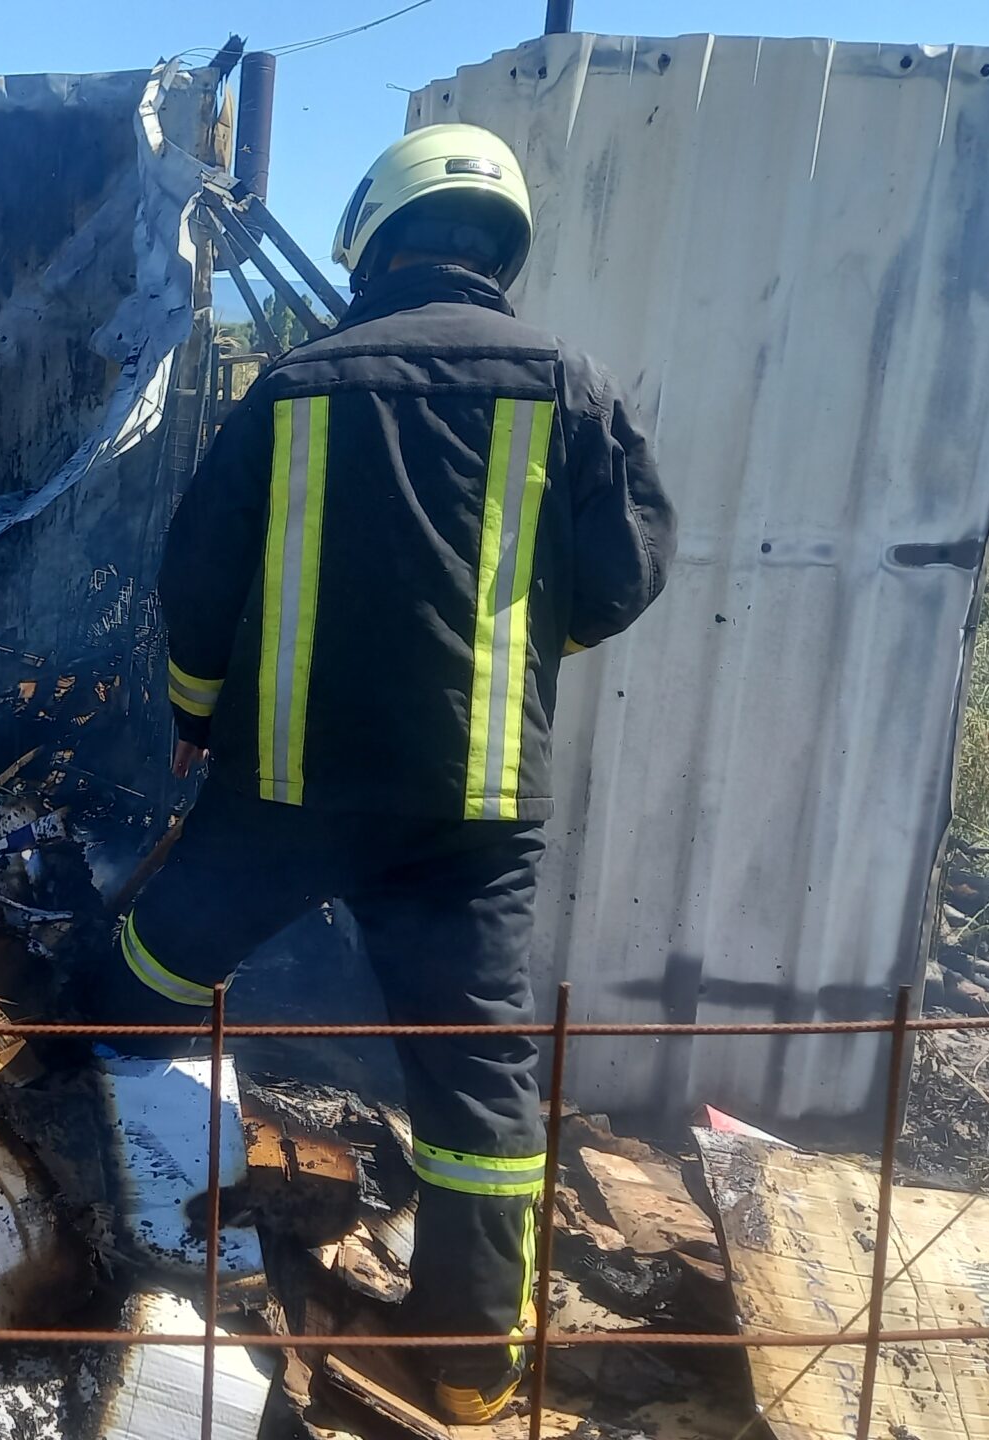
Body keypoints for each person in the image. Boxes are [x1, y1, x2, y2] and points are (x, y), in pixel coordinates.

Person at [97, 124, 675, 1422]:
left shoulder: (297, 384)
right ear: (499, 249)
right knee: (477, 1078)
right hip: (470, 807)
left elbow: (199, 575)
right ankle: (471, 1368)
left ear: (372, 237)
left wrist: (197, 709)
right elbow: (628, 568)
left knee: (163, 953)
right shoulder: (568, 384)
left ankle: (78, 1121)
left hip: (289, 784)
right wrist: (531, 650)